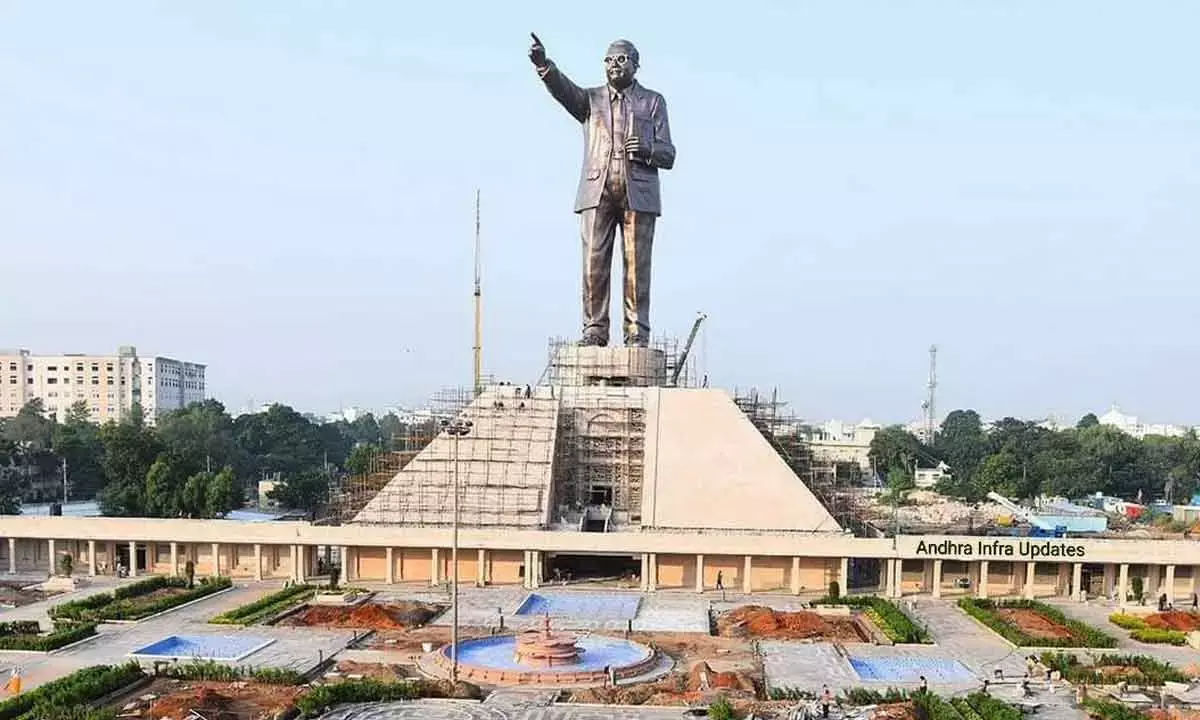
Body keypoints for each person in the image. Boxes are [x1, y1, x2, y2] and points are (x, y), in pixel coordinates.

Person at [529, 33, 676, 347]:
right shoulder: (590, 100)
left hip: (639, 193)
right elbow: (563, 90)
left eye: (621, 59)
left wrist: (648, 149)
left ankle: (636, 332)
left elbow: (669, 154)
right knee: (593, 265)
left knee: (637, 267)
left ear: (636, 65)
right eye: (609, 60)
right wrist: (544, 66)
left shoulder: (653, 102)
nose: (614, 65)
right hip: (597, 190)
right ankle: (594, 330)